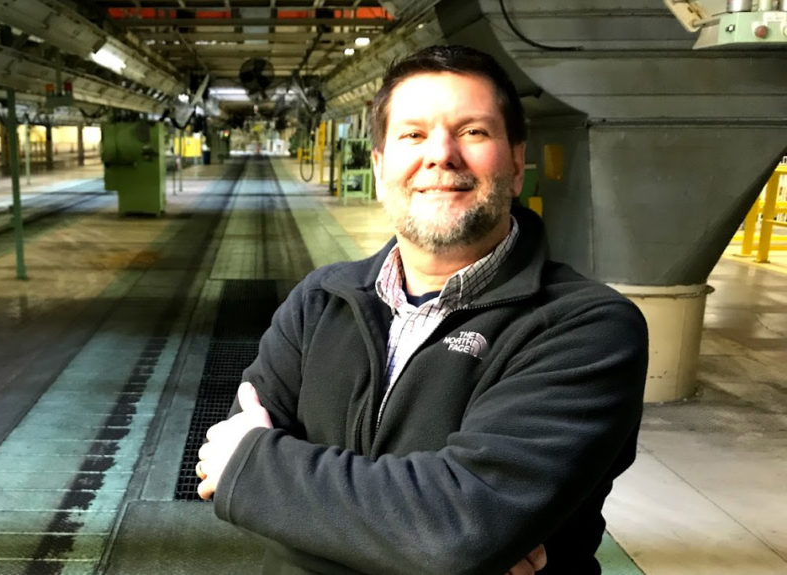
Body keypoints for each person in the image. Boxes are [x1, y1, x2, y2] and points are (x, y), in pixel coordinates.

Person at [195, 45, 648, 575]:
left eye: (473, 132)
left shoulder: (587, 328)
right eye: (413, 134)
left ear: (518, 162)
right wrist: (431, 541)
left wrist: (263, 479)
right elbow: (220, 471)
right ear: (382, 164)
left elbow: (458, 532)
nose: (441, 154)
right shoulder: (320, 301)